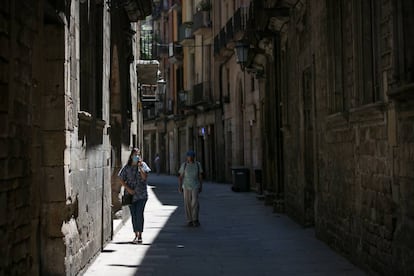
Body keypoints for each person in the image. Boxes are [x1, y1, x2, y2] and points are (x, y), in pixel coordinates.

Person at [118, 148, 150, 243]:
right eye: (135, 154)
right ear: (131, 156)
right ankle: (136, 234)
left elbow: (145, 178)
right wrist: (128, 189)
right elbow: (120, 178)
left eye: (138, 154)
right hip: (130, 195)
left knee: (139, 214)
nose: (136, 156)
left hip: (142, 195)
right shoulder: (127, 167)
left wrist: (140, 167)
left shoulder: (143, 165)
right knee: (134, 215)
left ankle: (140, 235)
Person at [178, 150, 203, 227]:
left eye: (192, 156)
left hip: (195, 185)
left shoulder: (197, 165)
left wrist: (201, 185)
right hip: (186, 186)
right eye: (189, 156)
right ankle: (189, 220)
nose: (190, 158)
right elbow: (180, 177)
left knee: (195, 202)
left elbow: (200, 176)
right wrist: (180, 186)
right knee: (187, 203)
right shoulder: (184, 165)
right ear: (187, 157)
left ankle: (195, 219)